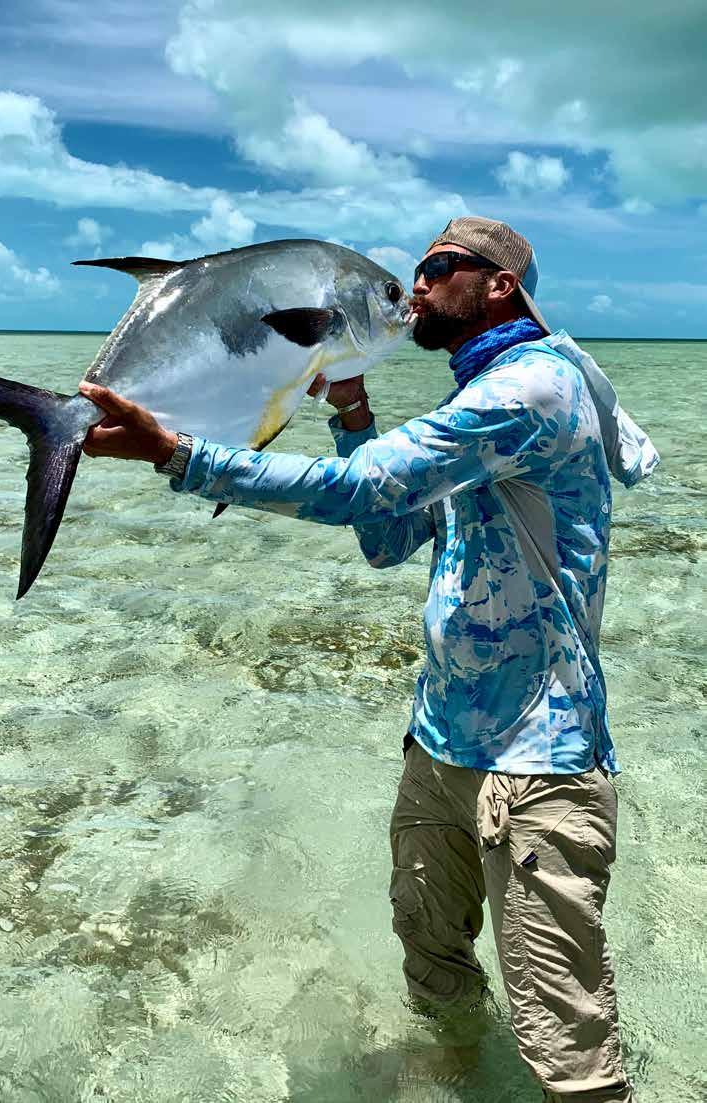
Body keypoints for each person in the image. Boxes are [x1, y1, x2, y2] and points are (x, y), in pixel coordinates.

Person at [78, 217, 658, 1102]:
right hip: (442, 742)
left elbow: (356, 490)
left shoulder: (531, 389)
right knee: (433, 966)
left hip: (537, 763)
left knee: (566, 1040)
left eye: (436, 268)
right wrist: (351, 411)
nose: (416, 284)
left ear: (499, 285)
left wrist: (178, 455)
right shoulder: (478, 403)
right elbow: (387, 537)